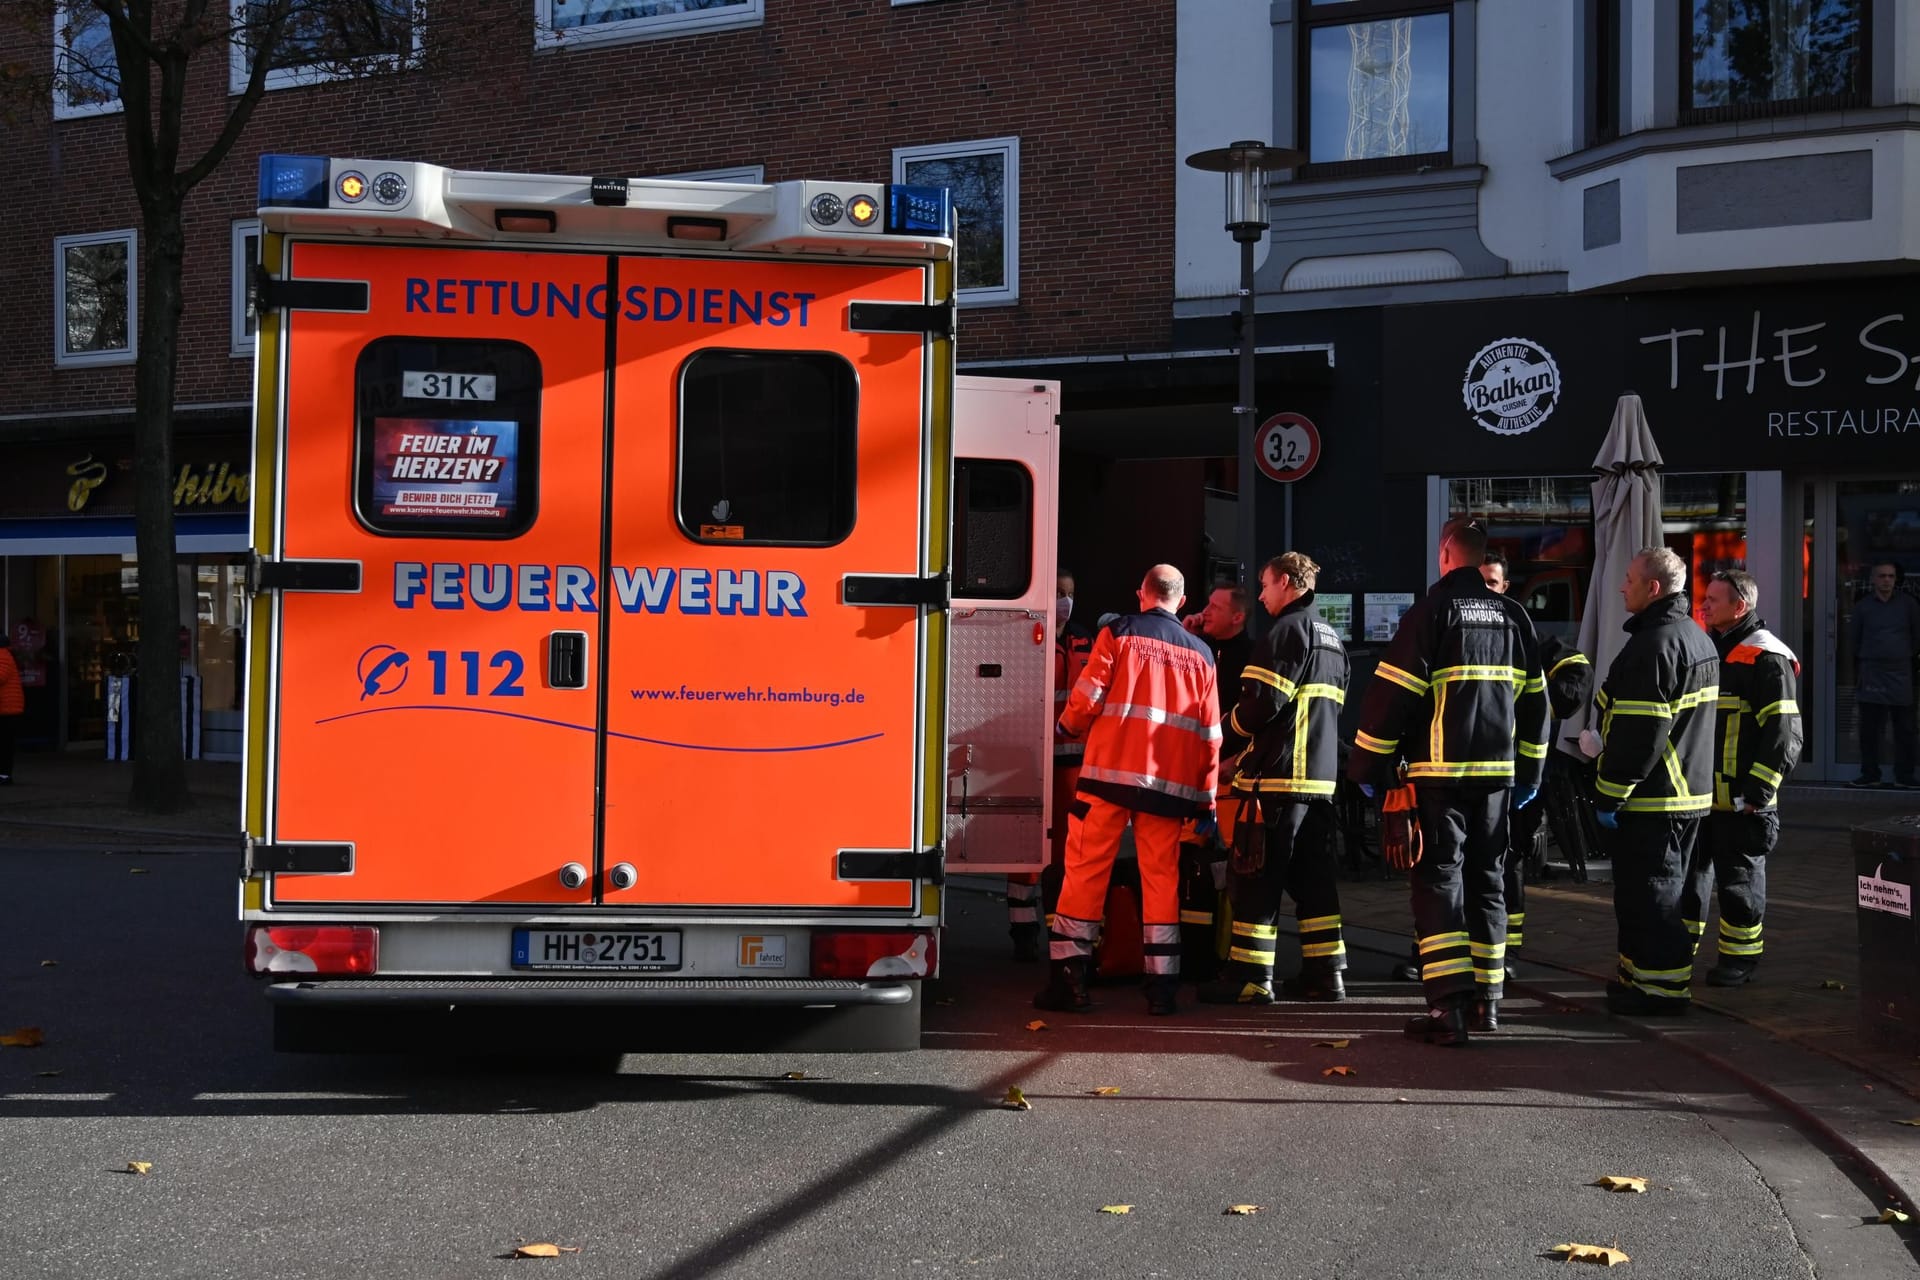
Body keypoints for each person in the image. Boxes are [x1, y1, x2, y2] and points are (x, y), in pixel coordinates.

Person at [1347, 518, 1548, 1045]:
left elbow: (1392, 697)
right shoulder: (1515, 615)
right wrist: (1529, 773)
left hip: (1439, 779)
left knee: (1439, 884)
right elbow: (1536, 705)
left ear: (1445, 555)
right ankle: (1489, 1003)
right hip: (1498, 780)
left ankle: (1446, 1010)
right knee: (1489, 883)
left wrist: (1366, 768)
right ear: (1482, 559)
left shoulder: (1431, 613)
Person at [1038, 564, 1222, 1016]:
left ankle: (1071, 979)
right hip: (1167, 789)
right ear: (1181, 600)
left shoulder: (1118, 633)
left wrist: (1068, 726)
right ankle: (1162, 987)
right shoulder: (1201, 654)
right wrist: (1206, 800)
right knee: (1161, 880)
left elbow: (1088, 695)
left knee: (1085, 872)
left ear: (1142, 593)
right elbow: (1210, 735)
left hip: (1107, 777)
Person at [1200, 552, 1351, 1005]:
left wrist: (1225, 735)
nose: (1262, 595)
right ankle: (1326, 975)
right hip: (1319, 783)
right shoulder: (1331, 637)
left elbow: (1261, 704)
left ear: (1286, 582)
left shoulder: (1286, 631)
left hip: (1277, 781)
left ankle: (1250, 977)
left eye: (1265, 585)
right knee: (1314, 882)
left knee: (1255, 878)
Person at [1588, 547, 1720, 1016]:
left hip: (1654, 799)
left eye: (1628, 578)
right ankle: (1639, 981)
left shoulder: (1655, 646)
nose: (1622, 586)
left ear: (1654, 588)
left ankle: (1660, 994)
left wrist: (1609, 792)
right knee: (1662, 893)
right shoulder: (1696, 638)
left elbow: (1639, 735)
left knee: (1653, 897)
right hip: (1688, 794)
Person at [1685, 569, 1802, 987]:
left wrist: (1759, 790)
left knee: (1740, 885)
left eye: (1713, 599)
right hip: (1699, 797)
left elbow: (1785, 734)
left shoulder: (1766, 657)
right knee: (1690, 883)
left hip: (1742, 800)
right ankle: (1678, 956)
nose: (1704, 605)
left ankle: (1740, 960)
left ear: (1740, 606)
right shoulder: (1710, 648)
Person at [1481, 550, 1592, 981]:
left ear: (1506, 588)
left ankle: (1505, 956)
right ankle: (1442, 954)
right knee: (1451, 866)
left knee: (1508, 864)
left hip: (1517, 776)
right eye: (1481, 581)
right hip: (1463, 773)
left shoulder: (1523, 632)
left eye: (1494, 582)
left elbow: (1575, 669)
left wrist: (1545, 704)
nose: (1488, 589)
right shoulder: (1448, 627)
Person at [1008, 571, 1093, 961]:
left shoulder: (1087, 641)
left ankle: (1058, 928)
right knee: (1026, 850)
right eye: (1059, 592)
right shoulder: (1029, 635)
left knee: (1065, 848)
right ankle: (1022, 930)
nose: (1065, 600)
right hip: (1033, 757)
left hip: (1072, 760)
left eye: (1070, 593)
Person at [1177, 582, 1252, 981]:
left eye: (1215, 607)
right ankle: (1193, 953)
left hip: (1228, 778)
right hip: (1194, 772)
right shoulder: (1198, 644)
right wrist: (1187, 635)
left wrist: (1235, 760)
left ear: (1237, 617)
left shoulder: (1250, 656)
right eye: (1206, 604)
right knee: (1192, 864)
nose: (1206, 611)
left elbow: (1259, 719)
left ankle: (1230, 954)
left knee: (1231, 868)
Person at [1849, 561, 1920, 789]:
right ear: (1873, 579)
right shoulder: (1863, 606)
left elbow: (1917, 635)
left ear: (1895, 579)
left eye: (1890, 576)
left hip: (1901, 671)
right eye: (1881, 576)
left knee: (1905, 728)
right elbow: (1854, 639)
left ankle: (1904, 776)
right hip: (1872, 671)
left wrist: (1905, 655)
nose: (1886, 580)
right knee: (1869, 728)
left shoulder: (1909, 604)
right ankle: (1870, 774)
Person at [0, 640, 22, 785]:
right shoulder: (5, 654)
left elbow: (1, 676)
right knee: (5, 743)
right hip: (7, 707)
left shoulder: (2, 655)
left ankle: (4, 775)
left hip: (7, 708)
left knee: (5, 743)